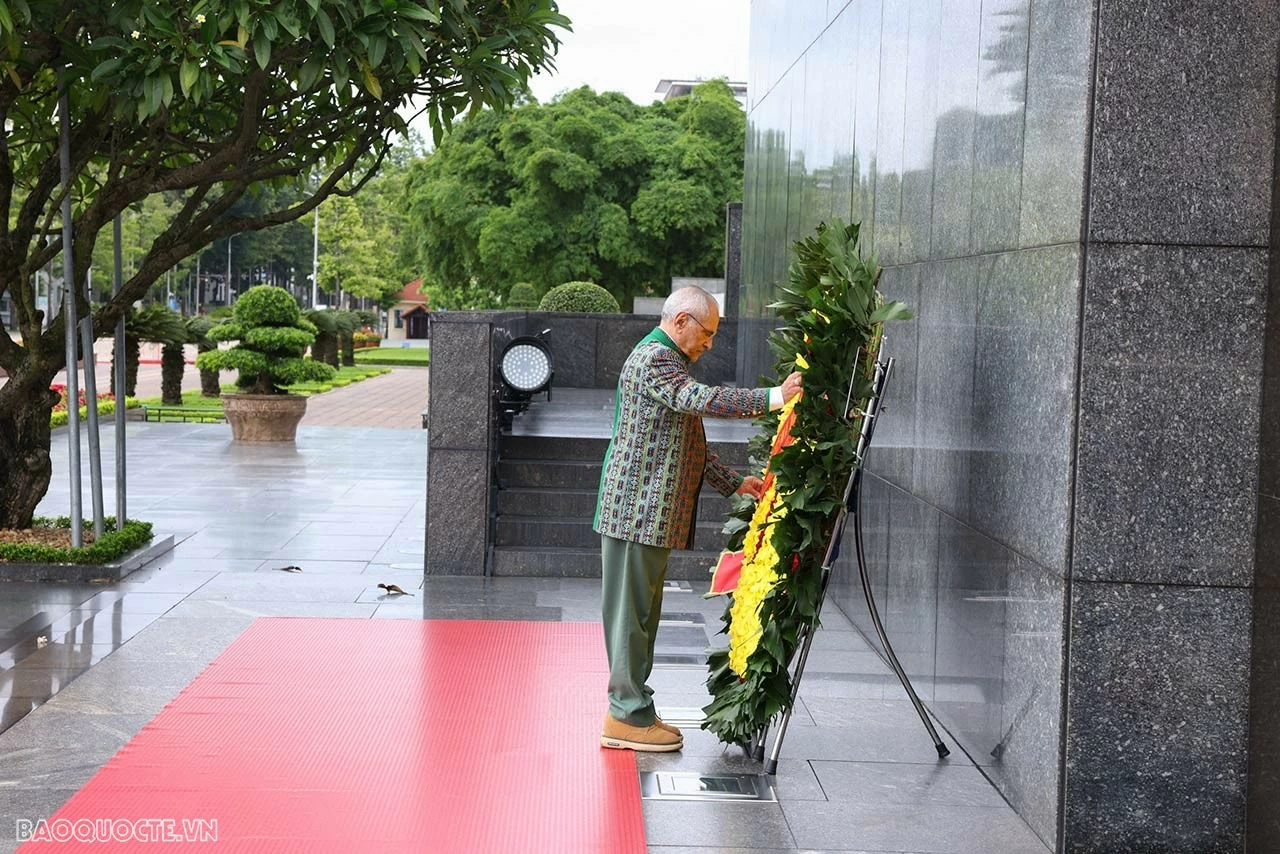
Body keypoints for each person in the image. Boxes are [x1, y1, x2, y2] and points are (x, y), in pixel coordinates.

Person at [594, 286, 803, 752]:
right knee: (632, 617)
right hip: (637, 511)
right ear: (682, 320)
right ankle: (625, 715)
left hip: (645, 513)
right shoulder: (656, 359)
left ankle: (635, 710)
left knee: (640, 616)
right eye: (706, 333)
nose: (709, 343)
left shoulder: (666, 361)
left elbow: (686, 442)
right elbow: (698, 401)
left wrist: (735, 482)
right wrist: (774, 396)